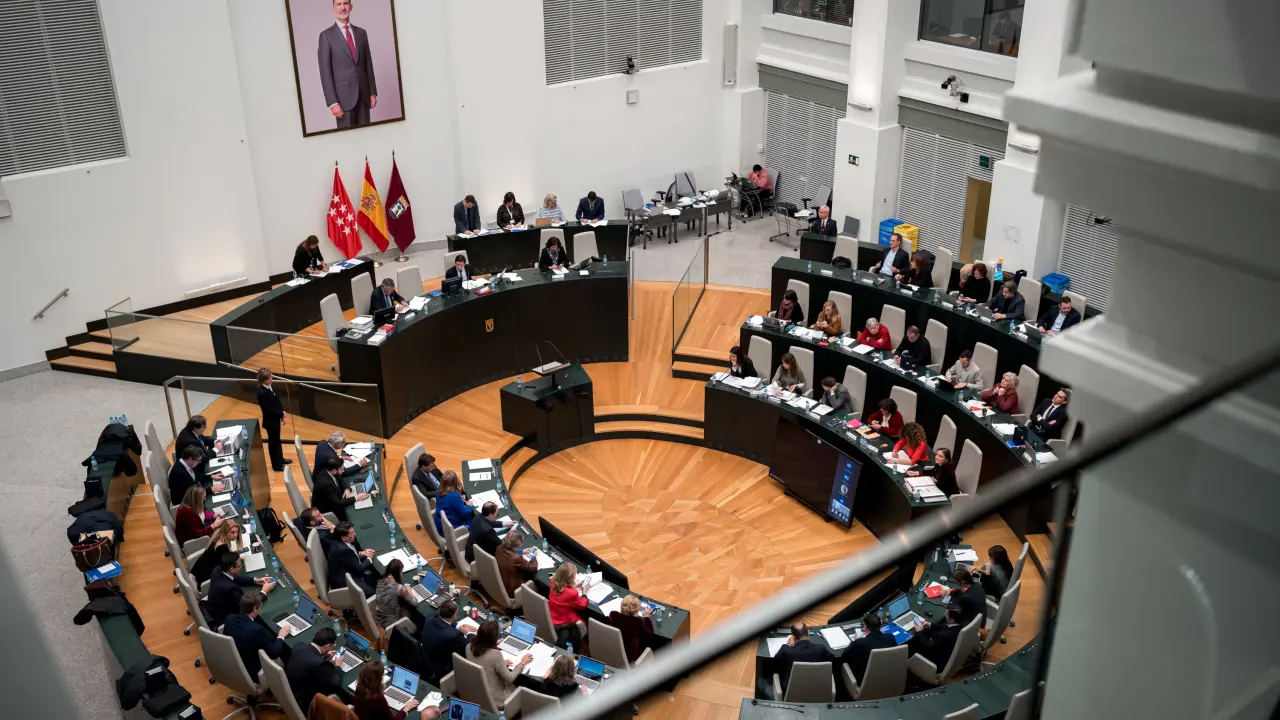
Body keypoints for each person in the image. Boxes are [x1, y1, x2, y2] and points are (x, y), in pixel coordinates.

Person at [317, 0, 377, 129]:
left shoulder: (361, 33)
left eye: (345, 3)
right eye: (339, 4)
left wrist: (372, 92)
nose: (343, 7)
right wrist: (333, 102)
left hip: (364, 96)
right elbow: (325, 72)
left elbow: (368, 64)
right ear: (333, 8)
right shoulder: (326, 36)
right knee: (348, 138)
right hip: (343, 100)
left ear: (351, 7)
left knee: (367, 135)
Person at [223, 593, 291, 679]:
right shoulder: (256, 630)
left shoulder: (229, 618)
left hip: (234, 661)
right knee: (286, 650)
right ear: (255, 609)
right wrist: (281, 636)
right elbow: (274, 653)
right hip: (252, 670)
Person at [467, 621, 532, 708]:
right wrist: (522, 663)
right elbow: (510, 678)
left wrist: (500, 663)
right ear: (494, 638)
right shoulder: (495, 655)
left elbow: (483, 662)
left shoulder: (468, 647)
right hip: (498, 699)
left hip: (477, 690)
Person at [208, 552, 275, 628]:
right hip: (226, 618)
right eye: (239, 566)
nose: (241, 566)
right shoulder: (229, 589)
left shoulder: (218, 570)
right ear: (231, 569)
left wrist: (255, 580)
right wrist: (264, 592)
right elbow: (247, 604)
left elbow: (234, 578)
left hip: (215, 608)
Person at [285, 626, 344, 713]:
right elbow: (335, 683)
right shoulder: (319, 663)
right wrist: (338, 666)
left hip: (291, 692)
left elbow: (309, 658)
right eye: (331, 646)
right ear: (328, 646)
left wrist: (323, 656)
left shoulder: (298, 646)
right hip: (305, 704)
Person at [419, 601, 471, 685]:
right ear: (454, 615)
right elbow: (468, 646)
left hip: (425, 658)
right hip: (442, 668)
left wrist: (457, 626)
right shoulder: (454, 635)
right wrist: (468, 632)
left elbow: (439, 617)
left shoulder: (429, 618)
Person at [774, 623, 835, 689]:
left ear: (793, 637)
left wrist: (788, 644)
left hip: (792, 689)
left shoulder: (786, 650)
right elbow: (833, 660)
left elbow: (774, 663)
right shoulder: (820, 649)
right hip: (818, 687)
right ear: (808, 632)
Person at [354, 659, 419, 719]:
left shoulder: (360, 686)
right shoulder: (379, 699)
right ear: (378, 679)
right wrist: (405, 709)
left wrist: (379, 687)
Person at [842, 613, 895, 685]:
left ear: (866, 627)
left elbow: (844, 655)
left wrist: (856, 641)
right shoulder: (890, 637)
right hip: (889, 677)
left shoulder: (859, 643)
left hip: (867, 683)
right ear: (880, 625)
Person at [311, 456, 368, 523]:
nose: (343, 471)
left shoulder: (328, 471)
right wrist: (356, 498)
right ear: (334, 471)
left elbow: (340, 479)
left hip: (334, 498)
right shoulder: (326, 485)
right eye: (342, 469)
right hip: (327, 509)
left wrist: (346, 489)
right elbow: (338, 503)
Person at [327, 521, 377, 597]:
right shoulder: (343, 550)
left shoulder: (338, 542)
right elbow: (359, 570)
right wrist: (369, 558)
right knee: (376, 595)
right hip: (347, 582)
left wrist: (361, 553)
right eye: (352, 533)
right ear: (343, 537)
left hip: (346, 571)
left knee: (377, 580)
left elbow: (347, 559)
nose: (355, 534)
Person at [375, 559, 424, 636]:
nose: (401, 574)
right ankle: (416, 633)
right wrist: (409, 591)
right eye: (401, 572)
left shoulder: (380, 580)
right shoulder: (398, 587)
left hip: (379, 619)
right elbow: (415, 603)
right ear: (397, 573)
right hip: (391, 623)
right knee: (413, 612)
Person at [190, 519, 248, 584]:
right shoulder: (222, 546)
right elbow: (227, 569)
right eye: (232, 532)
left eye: (236, 532)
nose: (235, 535)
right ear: (225, 532)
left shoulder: (218, 533)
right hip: (205, 579)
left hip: (197, 571)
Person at [907, 605, 963, 670]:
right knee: (925, 631)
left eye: (946, 615)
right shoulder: (959, 626)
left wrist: (919, 631)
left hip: (933, 661)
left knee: (912, 643)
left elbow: (927, 647)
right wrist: (930, 625)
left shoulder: (943, 636)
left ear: (952, 620)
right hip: (944, 651)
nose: (945, 616)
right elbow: (945, 627)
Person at [256, 368, 290, 472]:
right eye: (269, 378)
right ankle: (276, 465)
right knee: (273, 443)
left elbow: (276, 401)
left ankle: (280, 459)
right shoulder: (262, 393)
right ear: (263, 380)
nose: (272, 379)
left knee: (277, 440)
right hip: (270, 422)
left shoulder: (269, 387)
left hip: (275, 419)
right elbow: (269, 409)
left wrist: (282, 413)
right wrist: (281, 414)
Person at [548, 563, 589, 648]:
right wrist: (584, 593)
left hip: (552, 616)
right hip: (563, 621)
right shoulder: (572, 593)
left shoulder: (552, 581)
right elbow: (582, 605)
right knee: (584, 623)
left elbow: (562, 591)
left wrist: (574, 587)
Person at [607, 595, 655, 665]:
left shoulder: (613, 615)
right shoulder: (637, 622)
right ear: (636, 611)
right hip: (631, 660)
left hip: (613, 653)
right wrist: (646, 617)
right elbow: (649, 634)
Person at [496, 529, 538, 598]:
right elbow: (533, 568)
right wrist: (534, 557)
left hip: (502, 582)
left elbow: (508, 550)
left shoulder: (499, 548)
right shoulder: (516, 557)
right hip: (513, 589)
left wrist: (521, 551)